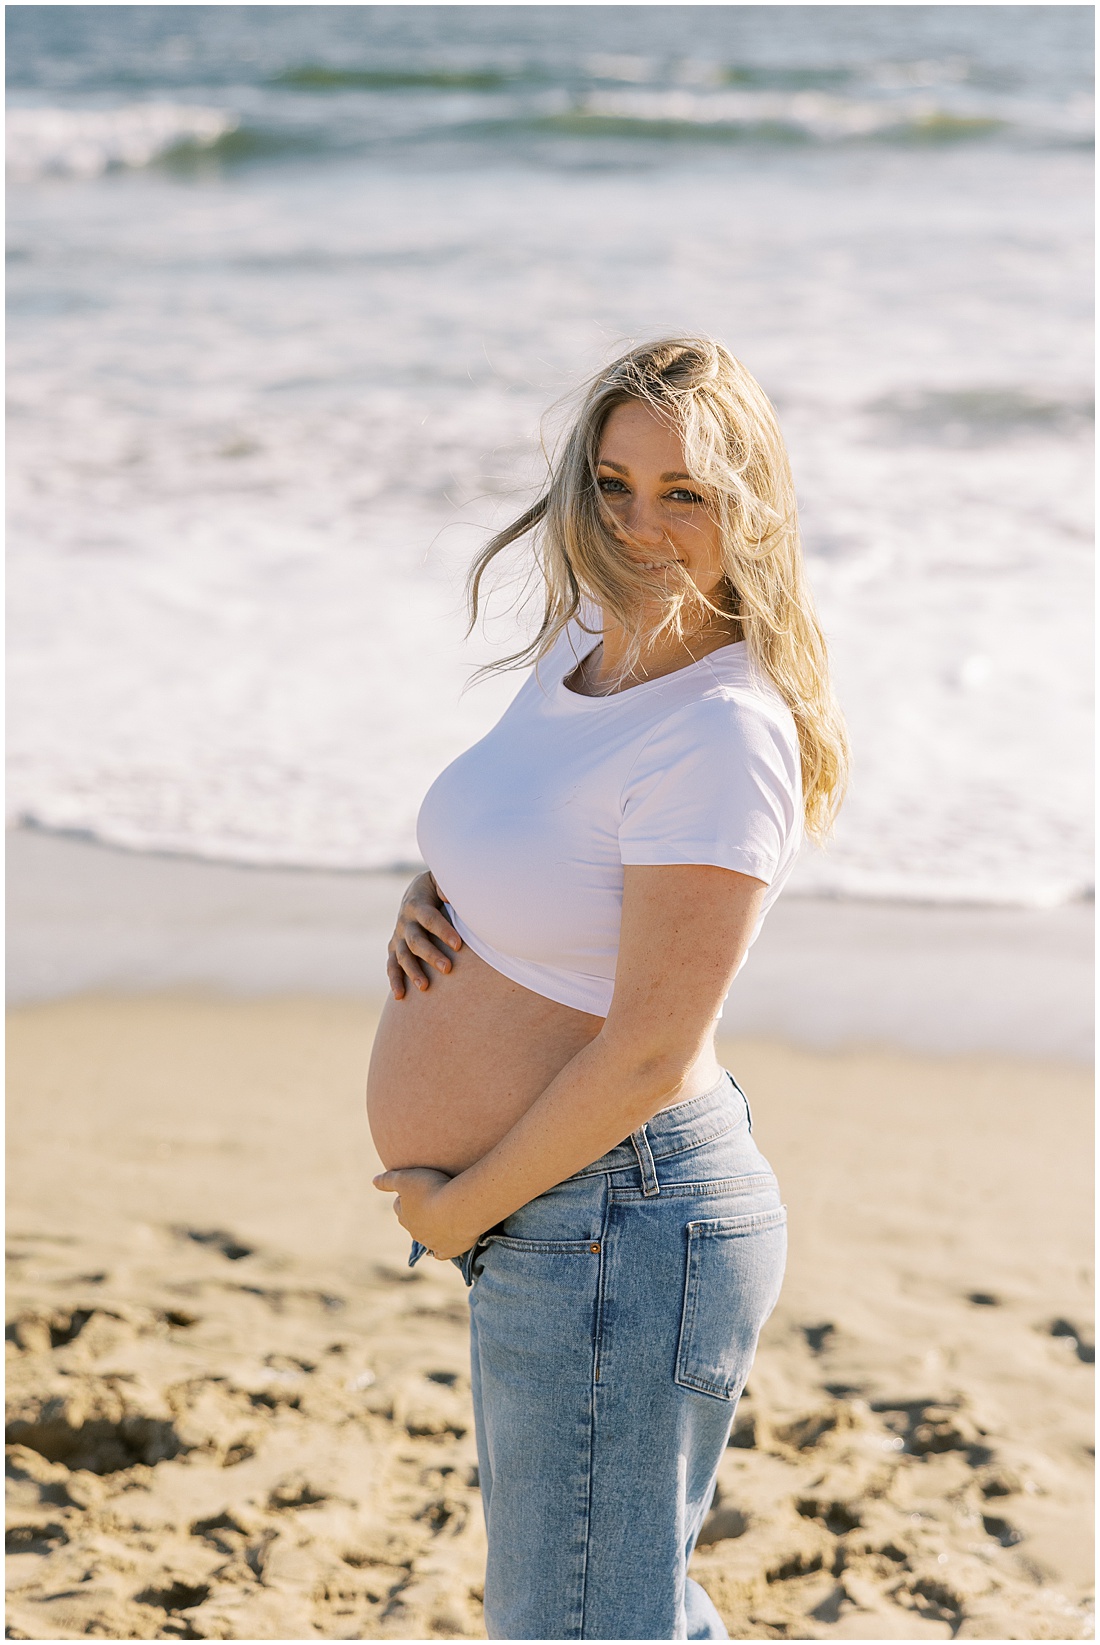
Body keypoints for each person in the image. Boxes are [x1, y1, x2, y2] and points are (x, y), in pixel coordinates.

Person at [367, 336, 848, 1640]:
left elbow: (646, 1050)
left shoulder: (724, 730)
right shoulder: (596, 630)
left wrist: (463, 1208)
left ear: (747, 507)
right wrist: (440, 886)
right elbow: (541, 821)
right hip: (568, 1211)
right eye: (614, 480)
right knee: (606, 1610)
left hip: (619, 1222)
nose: (640, 522)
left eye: (684, 492)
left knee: (587, 1622)